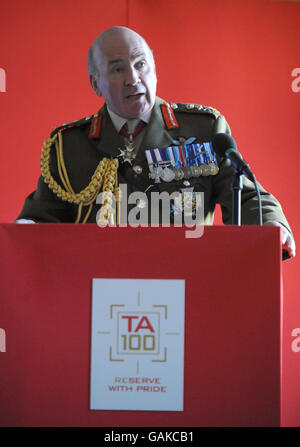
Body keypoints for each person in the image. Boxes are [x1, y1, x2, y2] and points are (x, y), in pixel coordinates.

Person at [17, 26, 295, 259]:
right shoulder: (68, 146)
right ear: (95, 83)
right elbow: (42, 218)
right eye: (117, 69)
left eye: (141, 64)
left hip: (187, 279)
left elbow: (245, 195)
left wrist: (270, 224)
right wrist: (25, 228)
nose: (133, 78)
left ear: (154, 69)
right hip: (100, 284)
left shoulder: (204, 128)